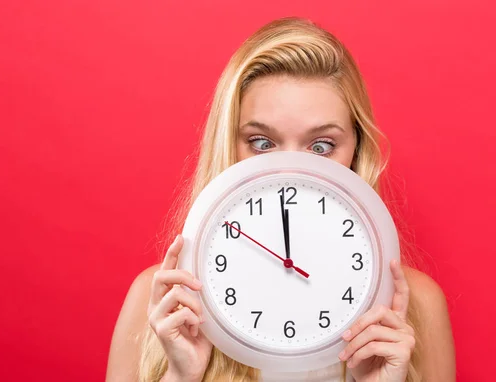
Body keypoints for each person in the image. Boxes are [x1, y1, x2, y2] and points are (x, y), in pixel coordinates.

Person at [106, 17, 455, 382]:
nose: (291, 172)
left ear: (357, 152)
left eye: (321, 147)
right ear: (229, 146)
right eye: (262, 143)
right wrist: (179, 376)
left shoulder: (418, 309)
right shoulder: (162, 305)